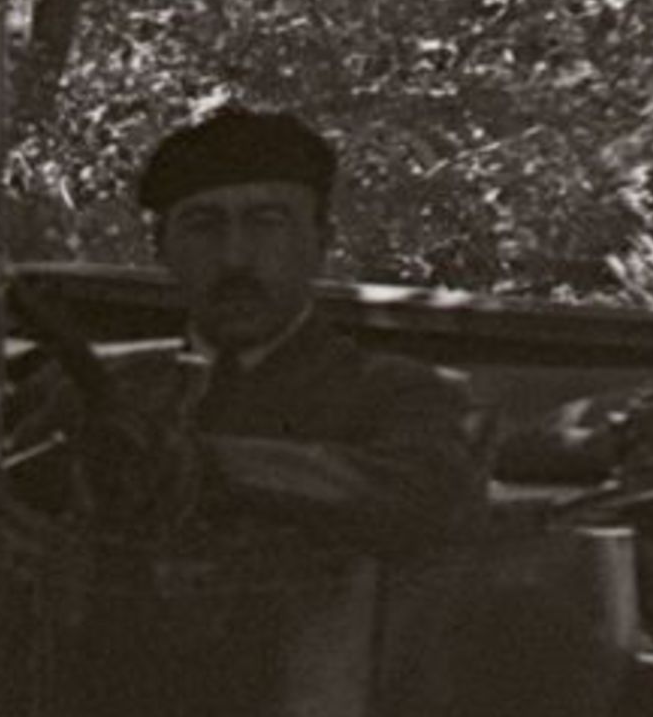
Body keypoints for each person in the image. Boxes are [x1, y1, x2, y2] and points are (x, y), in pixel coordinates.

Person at [66, 101, 489, 548]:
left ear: (322, 240)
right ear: (161, 248)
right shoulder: (96, 391)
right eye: (202, 226)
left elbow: (426, 496)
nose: (234, 258)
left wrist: (210, 465)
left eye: (267, 224)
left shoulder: (397, 393)